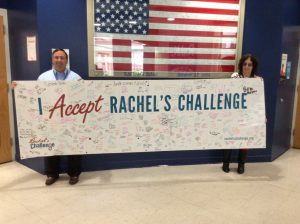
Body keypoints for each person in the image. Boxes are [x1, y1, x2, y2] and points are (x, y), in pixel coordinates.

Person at [13, 48, 82, 185]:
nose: (59, 60)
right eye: (56, 57)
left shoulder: (76, 77)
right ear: (52, 59)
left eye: (62, 58)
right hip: (50, 118)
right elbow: (34, 95)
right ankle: (52, 174)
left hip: (71, 118)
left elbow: (84, 96)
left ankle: (74, 174)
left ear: (66, 60)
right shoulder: (43, 77)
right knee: (51, 145)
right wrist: (19, 88)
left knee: (74, 146)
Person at [222, 54, 260, 174]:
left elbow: (259, 100)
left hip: (248, 115)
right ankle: (226, 163)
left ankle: (241, 164)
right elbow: (228, 94)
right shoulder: (235, 77)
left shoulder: (258, 80)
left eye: (249, 64)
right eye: (245, 64)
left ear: (253, 66)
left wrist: (262, 115)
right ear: (241, 65)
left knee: (245, 141)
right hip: (233, 114)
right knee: (229, 139)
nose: (247, 67)